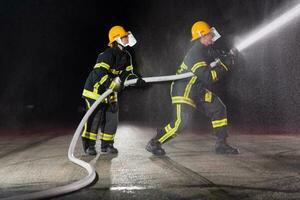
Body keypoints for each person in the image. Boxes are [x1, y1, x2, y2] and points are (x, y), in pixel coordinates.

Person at [146, 21, 239, 156]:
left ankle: (221, 144)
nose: (212, 37)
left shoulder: (207, 49)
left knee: (219, 108)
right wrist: (225, 66)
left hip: (197, 89)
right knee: (181, 122)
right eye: (209, 35)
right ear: (201, 35)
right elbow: (208, 77)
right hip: (184, 89)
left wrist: (227, 56)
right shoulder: (195, 53)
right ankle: (154, 142)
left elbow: (217, 57)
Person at [81, 25, 146, 155]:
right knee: (95, 117)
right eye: (124, 36)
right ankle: (89, 146)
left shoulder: (126, 55)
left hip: (111, 91)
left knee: (112, 116)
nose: (127, 38)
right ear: (116, 39)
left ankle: (107, 145)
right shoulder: (107, 54)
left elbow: (127, 74)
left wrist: (136, 80)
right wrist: (111, 84)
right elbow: (99, 72)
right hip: (95, 90)